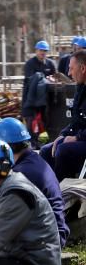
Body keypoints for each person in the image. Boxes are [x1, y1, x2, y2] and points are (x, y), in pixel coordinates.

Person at [0, 117, 69, 246]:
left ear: (4, 149)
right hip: (48, 234)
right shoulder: (32, 162)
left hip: (46, 241)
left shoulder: (22, 173)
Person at [41, 50, 86, 179]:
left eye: (71, 69)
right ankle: (50, 189)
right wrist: (63, 135)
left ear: (82, 68)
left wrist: (77, 138)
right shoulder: (81, 88)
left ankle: (64, 193)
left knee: (64, 151)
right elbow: (76, 121)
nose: (69, 73)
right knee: (46, 150)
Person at [22, 40, 57, 144]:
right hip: (31, 99)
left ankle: (43, 144)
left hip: (45, 100)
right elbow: (31, 81)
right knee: (31, 122)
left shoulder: (51, 64)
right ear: (36, 50)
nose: (43, 53)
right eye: (41, 50)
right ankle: (31, 143)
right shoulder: (30, 64)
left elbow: (56, 77)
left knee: (44, 123)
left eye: (45, 51)